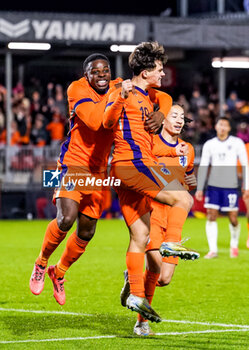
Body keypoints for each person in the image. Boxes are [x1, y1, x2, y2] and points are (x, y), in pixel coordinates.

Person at [29, 53, 172, 306]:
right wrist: (118, 95)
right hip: (73, 163)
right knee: (66, 218)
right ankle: (41, 263)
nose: (102, 75)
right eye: (96, 71)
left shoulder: (119, 84)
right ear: (87, 74)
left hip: (99, 171)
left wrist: (162, 114)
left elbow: (163, 95)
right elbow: (97, 122)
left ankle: (58, 272)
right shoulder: (77, 88)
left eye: (105, 70)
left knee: (87, 231)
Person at [103, 42, 199, 323]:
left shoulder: (148, 96)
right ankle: (171, 243)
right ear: (145, 72)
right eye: (158, 70)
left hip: (129, 168)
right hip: (133, 164)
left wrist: (161, 113)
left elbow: (168, 98)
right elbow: (108, 122)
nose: (162, 74)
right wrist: (120, 96)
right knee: (183, 199)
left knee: (140, 236)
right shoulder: (122, 89)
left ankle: (134, 293)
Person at [120, 103, 197, 336]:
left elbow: (187, 177)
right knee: (154, 266)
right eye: (174, 115)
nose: (179, 120)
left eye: (182, 117)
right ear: (163, 119)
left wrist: (190, 183)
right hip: (151, 211)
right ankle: (141, 323)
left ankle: (130, 280)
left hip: (172, 216)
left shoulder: (188, 149)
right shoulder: (150, 143)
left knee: (164, 278)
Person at [195, 117, 249, 259]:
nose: (222, 127)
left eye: (225, 125)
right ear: (216, 126)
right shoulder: (209, 144)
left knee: (233, 218)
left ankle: (234, 244)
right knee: (211, 215)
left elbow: (245, 164)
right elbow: (204, 165)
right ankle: (213, 250)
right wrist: (199, 187)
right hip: (213, 186)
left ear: (229, 128)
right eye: (220, 124)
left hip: (230, 186)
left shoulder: (237, 143)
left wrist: (246, 185)